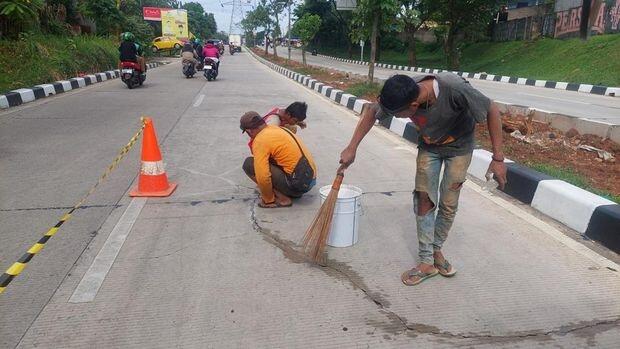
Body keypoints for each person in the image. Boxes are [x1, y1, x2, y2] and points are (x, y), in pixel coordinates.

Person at [339, 74, 507, 286]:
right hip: (429, 148)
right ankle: (427, 261)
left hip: (459, 149)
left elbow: (491, 109)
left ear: (414, 105)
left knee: (448, 203)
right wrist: (352, 147)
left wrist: (498, 158)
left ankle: (437, 249)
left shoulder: (454, 89)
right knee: (423, 200)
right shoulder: (403, 90)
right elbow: (373, 111)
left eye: (399, 115)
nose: (397, 117)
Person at [241, 111, 317, 208]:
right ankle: (292, 190)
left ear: (249, 131)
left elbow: (263, 177)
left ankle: (283, 199)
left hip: (298, 186)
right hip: (309, 181)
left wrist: (268, 199)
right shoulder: (277, 129)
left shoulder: (260, 140)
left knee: (249, 163)